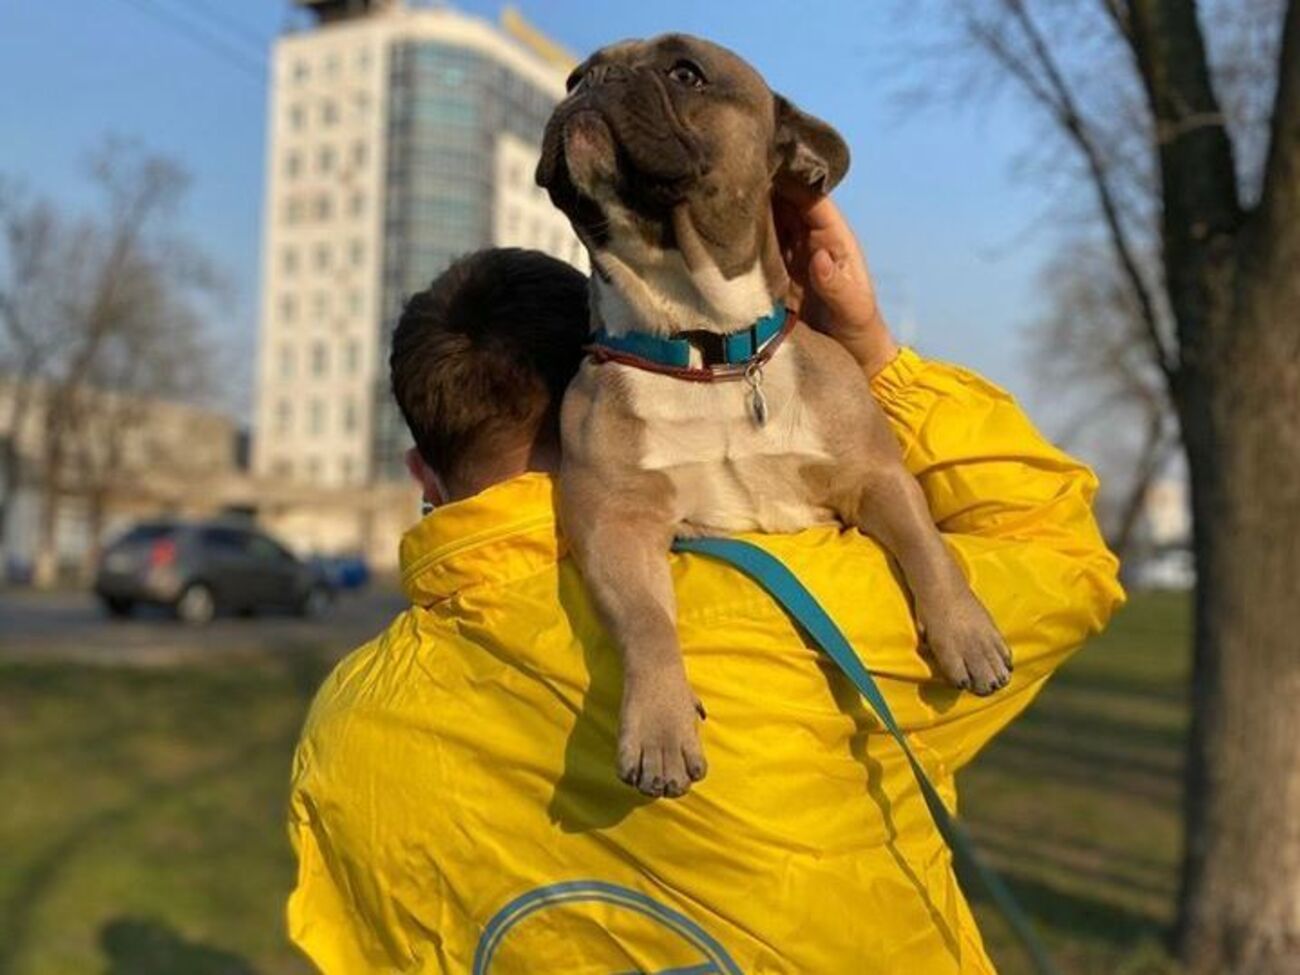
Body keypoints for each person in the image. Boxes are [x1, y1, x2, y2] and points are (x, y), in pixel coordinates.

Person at [286, 199, 1123, 974]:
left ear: (421, 472)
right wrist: (873, 357)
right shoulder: (810, 606)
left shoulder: (342, 733)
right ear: (617, 384)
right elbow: (1058, 553)